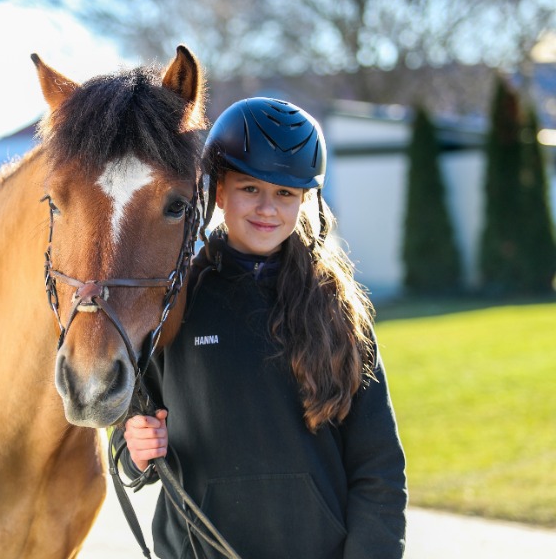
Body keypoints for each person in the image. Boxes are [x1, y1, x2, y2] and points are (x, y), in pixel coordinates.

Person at [113, 97, 407, 559]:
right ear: (219, 191)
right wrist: (135, 446)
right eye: (250, 188)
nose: (268, 208)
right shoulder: (174, 301)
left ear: (305, 200)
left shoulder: (338, 311)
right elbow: (130, 443)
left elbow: (380, 470)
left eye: (285, 193)